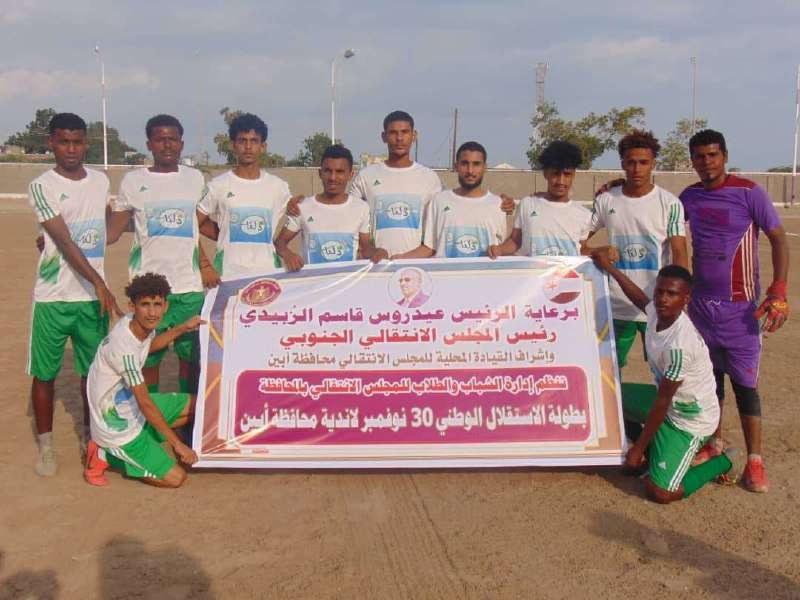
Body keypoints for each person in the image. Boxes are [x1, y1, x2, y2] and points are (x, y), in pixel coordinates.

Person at [679, 129, 789, 493]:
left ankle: (755, 461)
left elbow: (778, 238)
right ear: (692, 160)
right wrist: (617, 185)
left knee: (745, 386)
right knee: (709, 382)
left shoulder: (749, 192)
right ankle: (714, 443)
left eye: (712, 155)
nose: (706, 162)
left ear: (725, 156)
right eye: (699, 156)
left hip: (740, 311)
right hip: (699, 307)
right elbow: (654, 209)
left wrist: (778, 289)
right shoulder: (689, 196)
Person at [592, 249, 743, 503]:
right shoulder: (658, 312)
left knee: (661, 492)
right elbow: (639, 298)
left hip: (688, 421)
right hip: (666, 405)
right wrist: (609, 268)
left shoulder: (680, 345)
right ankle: (653, 452)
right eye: (659, 291)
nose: (663, 299)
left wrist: (637, 450)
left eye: (672, 294)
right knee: (608, 395)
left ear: (686, 299)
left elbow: (663, 401)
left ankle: (723, 460)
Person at [26, 112, 122, 476]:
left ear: (86, 143)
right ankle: (46, 447)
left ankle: (89, 438)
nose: (71, 149)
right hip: (53, 297)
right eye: (63, 141)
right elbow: (64, 242)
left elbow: (107, 229)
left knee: (91, 374)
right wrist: (99, 282)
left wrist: (146, 216)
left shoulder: (100, 182)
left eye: (77, 142)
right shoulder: (41, 186)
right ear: (51, 143)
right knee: (44, 375)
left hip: (90, 301)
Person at [107, 114, 217, 395]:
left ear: (181, 144)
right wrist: (59, 239)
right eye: (160, 139)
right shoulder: (133, 181)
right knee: (147, 358)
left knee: (191, 361)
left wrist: (206, 262)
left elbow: (198, 226)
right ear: (149, 144)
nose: (167, 144)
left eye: (172, 139)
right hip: (150, 289)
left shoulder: (195, 179)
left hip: (189, 288)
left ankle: (189, 414)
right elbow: (112, 231)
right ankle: (150, 414)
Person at [83, 273, 202, 488]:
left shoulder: (138, 326)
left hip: (132, 408)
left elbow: (149, 347)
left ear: (166, 306)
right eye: (145, 305)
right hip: (118, 430)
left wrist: (183, 328)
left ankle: (150, 433)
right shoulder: (124, 348)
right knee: (176, 478)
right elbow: (145, 402)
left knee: (198, 404)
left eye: (157, 304)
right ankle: (104, 454)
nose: (152, 312)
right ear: (132, 306)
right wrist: (177, 445)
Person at [584, 130, 688, 373]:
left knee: (665, 370)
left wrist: (680, 297)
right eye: (631, 162)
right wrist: (599, 250)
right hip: (616, 305)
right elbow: (577, 243)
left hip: (657, 306)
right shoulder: (606, 200)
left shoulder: (669, 203)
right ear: (623, 163)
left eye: (643, 162)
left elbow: (679, 253)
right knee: (608, 372)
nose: (637, 169)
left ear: (653, 164)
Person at [196, 113, 290, 280]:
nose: (248, 147)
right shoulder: (218, 185)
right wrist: (225, 235)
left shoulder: (279, 187)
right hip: (228, 275)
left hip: (268, 274)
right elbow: (194, 224)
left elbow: (302, 216)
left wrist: (285, 250)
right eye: (242, 141)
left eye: (254, 141)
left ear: (263, 146)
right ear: (232, 145)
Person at [274, 145, 388, 270]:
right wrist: (288, 255)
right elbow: (279, 243)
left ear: (350, 175)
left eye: (339, 172)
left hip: (347, 281)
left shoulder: (361, 208)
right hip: (312, 281)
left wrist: (377, 252)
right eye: (328, 171)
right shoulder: (303, 207)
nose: (333, 178)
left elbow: (365, 248)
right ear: (320, 173)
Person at [395, 141, 507, 259]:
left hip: (482, 272)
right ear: (456, 166)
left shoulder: (498, 205)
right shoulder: (439, 201)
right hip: (443, 272)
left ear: (485, 167)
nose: (470, 170)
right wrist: (399, 260)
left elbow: (501, 251)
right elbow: (429, 248)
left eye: (476, 164)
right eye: (464, 164)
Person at [489, 140, 598, 259]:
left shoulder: (583, 215)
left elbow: (581, 250)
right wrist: (499, 249)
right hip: (533, 271)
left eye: (567, 174)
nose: (561, 181)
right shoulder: (528, 204)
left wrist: (602, 251)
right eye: (555, 174)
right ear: (546, 173)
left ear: (574, 175)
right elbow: (515, 241)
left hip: (567, 272)